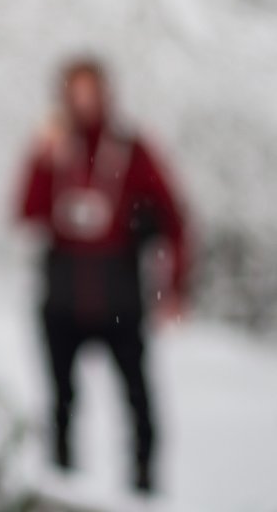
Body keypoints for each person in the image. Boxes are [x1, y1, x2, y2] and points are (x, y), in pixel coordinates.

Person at [13, 57, 190, 493]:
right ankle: (62, 485)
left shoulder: (131, 149)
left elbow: (175, 218)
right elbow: (26, 212)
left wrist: (176, 287)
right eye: (76, 92)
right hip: (63, 295)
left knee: (138, 401)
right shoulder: (55, 146)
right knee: (60, 403)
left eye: (92, 91)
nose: (84, 102)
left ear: (108, 94)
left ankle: (145, 486)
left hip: (119, 298)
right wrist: (42, 158)